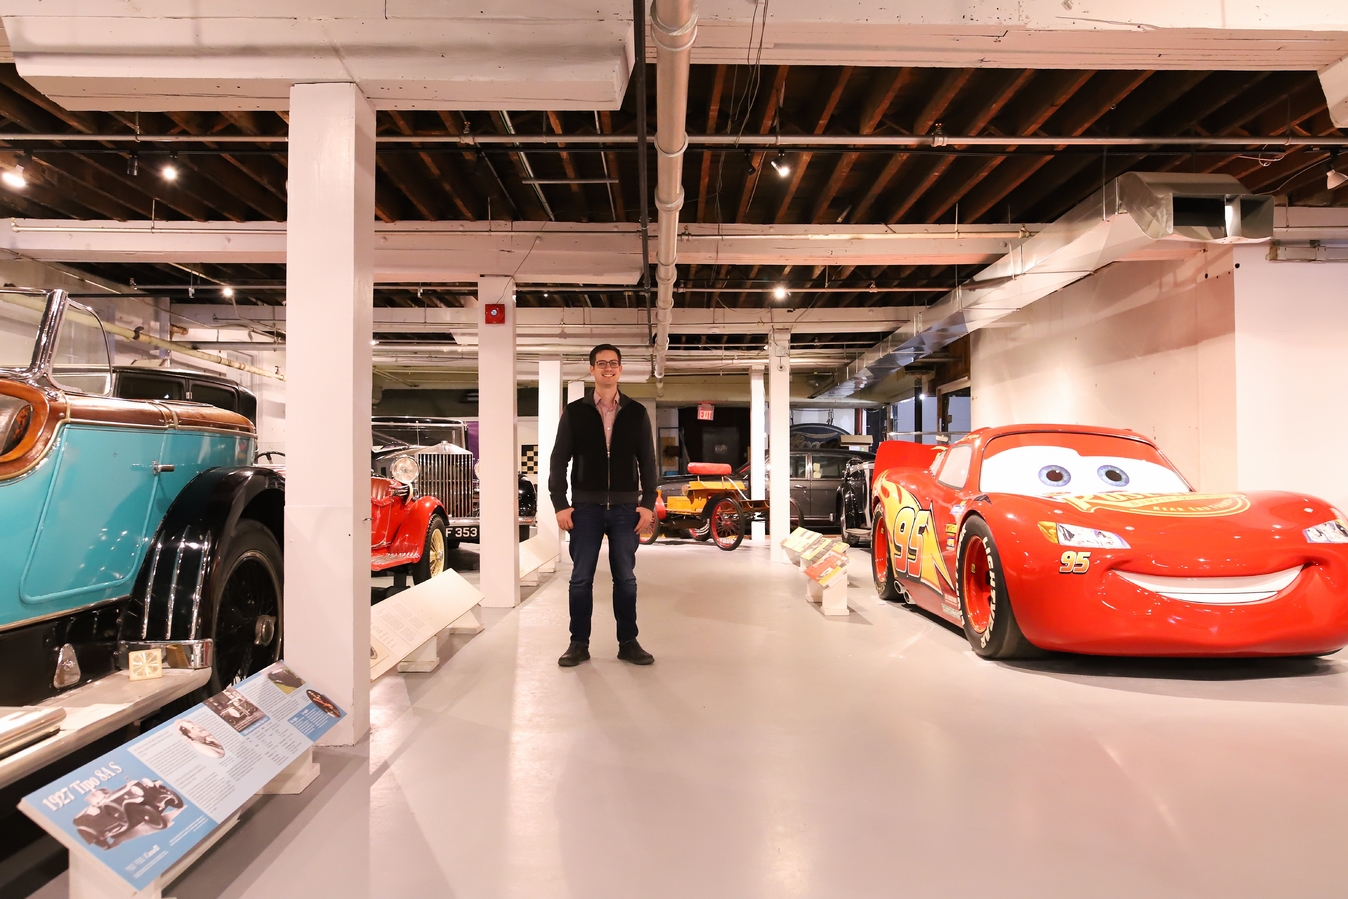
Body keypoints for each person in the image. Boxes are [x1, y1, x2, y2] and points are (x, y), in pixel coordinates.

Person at [548, 344, 657, 667]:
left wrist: (648, 502)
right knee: (581, 578)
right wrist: (560, 503)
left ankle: (629, 642)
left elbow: (647, 461)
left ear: (620, 369)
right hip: (585, 509)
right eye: (601, 364)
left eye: (613, 363)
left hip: (626, 510)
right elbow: (558, 459)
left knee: (626, 578)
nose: (607, 368)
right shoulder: (575, 411)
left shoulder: (636, 412)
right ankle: (578, 643)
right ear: (592, 369)